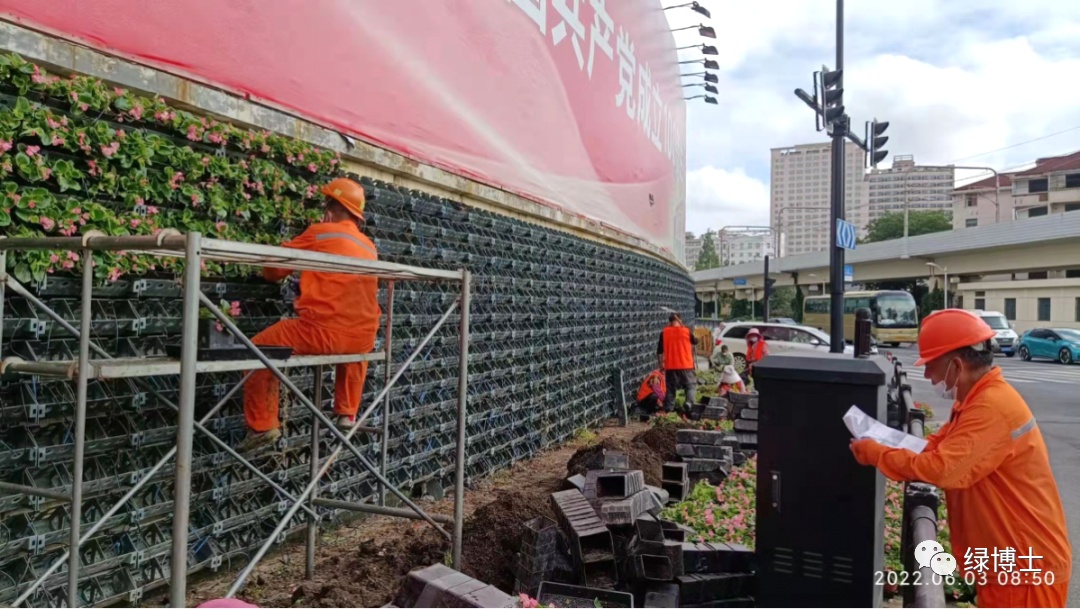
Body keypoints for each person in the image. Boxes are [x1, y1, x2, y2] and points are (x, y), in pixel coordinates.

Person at [850, 309, 1071, 608]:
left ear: (956, 365)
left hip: (1024, 571)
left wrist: (876, 454)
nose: (927, 375)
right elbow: (932, 449)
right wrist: (883, 443)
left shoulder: (991, 408)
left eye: (931, 366)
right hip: (1011, 562)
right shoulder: (976, 401)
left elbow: (942, 469)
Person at [239, 177, 382, 453]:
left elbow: (274, 268)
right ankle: (347, 412)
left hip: (323, 333)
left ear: (330, 208)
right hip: (364, 338)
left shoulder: (322, 232)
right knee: (357, 338)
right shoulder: (368, 246)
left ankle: (262, 426)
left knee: (255, 352)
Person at [657, 312, 698, 413]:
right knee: (690, 385)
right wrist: (686, 330)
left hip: (670, 366)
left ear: (669, 322)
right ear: (680, 320)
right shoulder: (686, 331)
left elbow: (659, 351)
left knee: (671, 389)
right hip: (686, 365)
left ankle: (669, 409)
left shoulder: (664, 332)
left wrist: (661, 364)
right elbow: (696, 341)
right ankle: (689, 402)